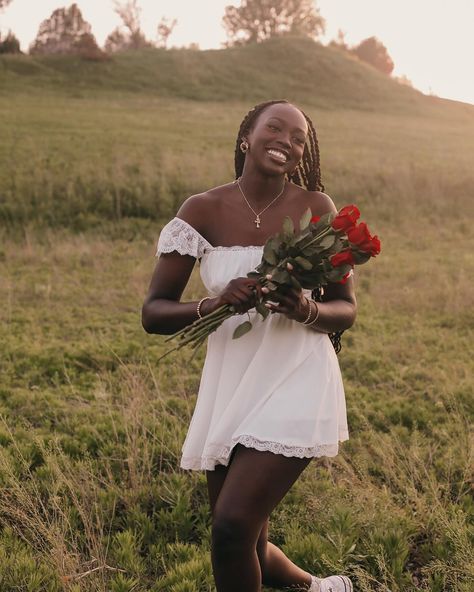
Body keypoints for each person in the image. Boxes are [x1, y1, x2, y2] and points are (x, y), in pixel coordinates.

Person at [142, 100, 356, 592]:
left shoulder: (316, 209)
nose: (286, 140)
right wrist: (212, 304)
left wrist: (303, 309)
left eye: (298, 137)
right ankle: (319, 588)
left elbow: (345, 309)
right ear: (247, 137)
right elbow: (154, 313)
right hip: (230, 384)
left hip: (296, 374)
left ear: (302, 154)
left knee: (231, 526)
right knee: (247, 538)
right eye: (274, 128)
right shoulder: (202, 210)